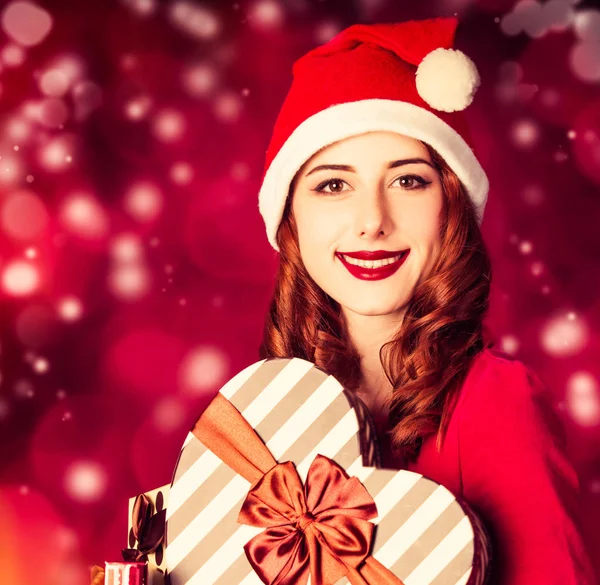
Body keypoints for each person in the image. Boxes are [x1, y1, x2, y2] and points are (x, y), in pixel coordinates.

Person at [255, 16, 597, 585]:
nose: (372, 222)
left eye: (408, 180)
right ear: (291, 220)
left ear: (452, 205)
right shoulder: (265, 419)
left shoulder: (497, 404)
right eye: (333, 185)